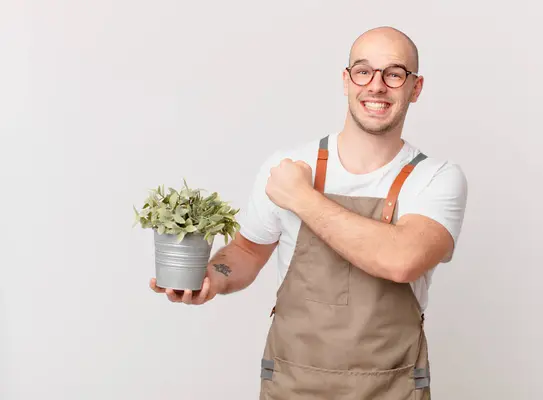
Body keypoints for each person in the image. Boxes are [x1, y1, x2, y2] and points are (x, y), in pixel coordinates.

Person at [150, 26, 468, 399]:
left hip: (392, 388)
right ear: (346, 80)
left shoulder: (436, 178)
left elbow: (402, 259)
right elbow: (248, 251)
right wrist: (213, 279)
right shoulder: (289, 164)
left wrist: (301, 197)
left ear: (416, 88)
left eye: (394, 74)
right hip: (292, 384)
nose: (377, 86)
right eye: (363, 71)